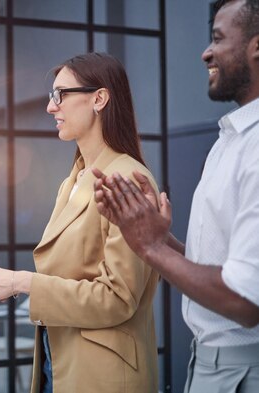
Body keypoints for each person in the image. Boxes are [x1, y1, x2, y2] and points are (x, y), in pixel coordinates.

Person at [0, 52, 160, 392]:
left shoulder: (129, 180)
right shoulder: (73, 181)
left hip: (104, 375)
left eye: (60, 95)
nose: (51, 107)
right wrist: (7, 284)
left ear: (99, 98)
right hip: (61, 361)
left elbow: (115, 299)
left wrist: (21, 282)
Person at [92, 1, 259, 392]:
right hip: (208, 364)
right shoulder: (231, 140)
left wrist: (151, 246)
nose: (205, 52)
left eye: (217, 38)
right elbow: (222, 268)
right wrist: (157, 238)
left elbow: (245, 299)